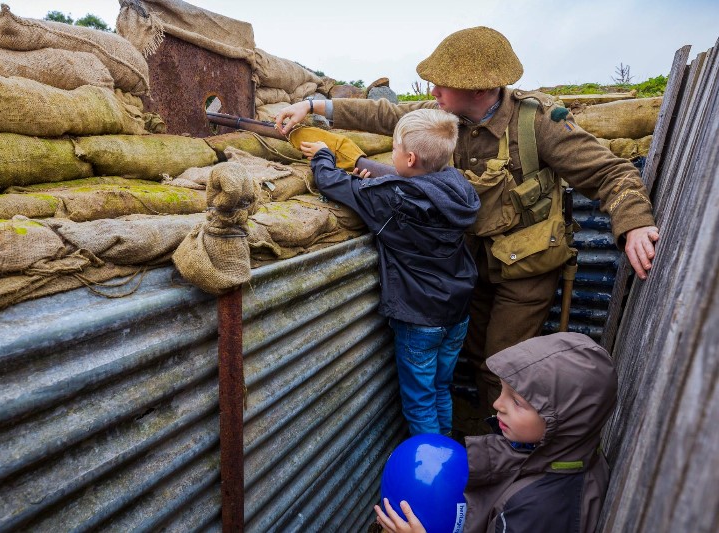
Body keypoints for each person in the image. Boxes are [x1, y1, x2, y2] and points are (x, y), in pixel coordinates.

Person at [276, 26, 659, 413]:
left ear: (479, 89)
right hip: (470, 266)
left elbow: (611, 173)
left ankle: (510, 454)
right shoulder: (447, 118)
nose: (432, 93)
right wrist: (311, 107)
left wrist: (635, 223)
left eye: (442, 85)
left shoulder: (538, 122)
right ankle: (481, 438)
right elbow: (387, 114)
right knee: (475, 356)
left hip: (527, 270)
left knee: (503, 366)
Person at [299, 108, 480, 436]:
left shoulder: (388, 197)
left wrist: (324, 156)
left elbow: (330, 182)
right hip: (457, 311)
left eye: (395, 149)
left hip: (420, 317)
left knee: (420, 402)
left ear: (409, 159)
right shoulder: (459, 186)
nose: (392, 154)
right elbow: (414, 190)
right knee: (441, 388)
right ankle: (449, 457)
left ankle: (432, 478)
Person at [374, 332, 618, 533]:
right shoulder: (574, 453)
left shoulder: (534, 512)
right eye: (503, 391)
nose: (497, 405)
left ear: (562, 421)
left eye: (517, 401)